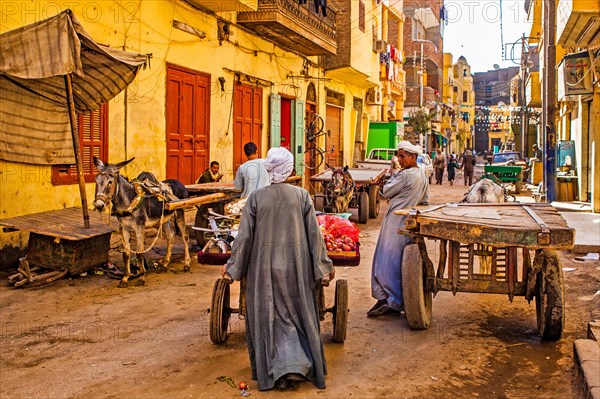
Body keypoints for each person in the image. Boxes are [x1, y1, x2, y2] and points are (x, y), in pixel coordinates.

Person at [223, 147, 334, 391]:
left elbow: (244, 238)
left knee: (269, 318)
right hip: (296, 268)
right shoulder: (302, 196)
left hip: (263, 269)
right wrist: (323, 267)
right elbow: (314, 236)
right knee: (297, 315)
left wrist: (233, 269)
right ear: (290, 169)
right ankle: (299, 365)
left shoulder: (256, 198)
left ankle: (276, 370)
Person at [368, 141, 430, 317]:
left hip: (395, 222)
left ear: (413, 157)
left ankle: (391, 301)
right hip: (409, 222)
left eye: (402, 156)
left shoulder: (405, 176)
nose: (399, 159)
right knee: (398, 261)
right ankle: (394, 299)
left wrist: (380, 183)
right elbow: (425, 201)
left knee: (386, 261)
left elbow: (386, 192)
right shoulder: (422, 174)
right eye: (399, 155)